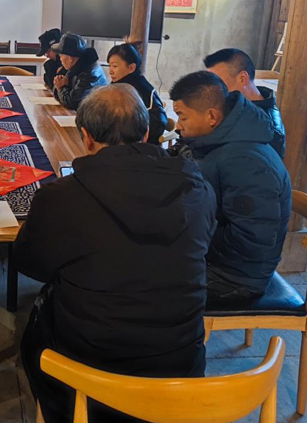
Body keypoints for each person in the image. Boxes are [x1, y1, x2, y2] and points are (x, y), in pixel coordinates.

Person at [14, 85, 216, 423]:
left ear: (86, 137)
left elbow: (30, 263)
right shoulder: (198, 188)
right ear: (146, 133)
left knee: (36, 323)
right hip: (179, 365)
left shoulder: (62, 196)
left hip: (89, 369)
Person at [170, 71, 291, 304]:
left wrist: (183, 233)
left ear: (211, 116)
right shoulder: (216, 142)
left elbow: (250, 241)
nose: (178, 126)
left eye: (182, 117)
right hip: (215, 259)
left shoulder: (247, 162)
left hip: (236, 277)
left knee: (140, 280)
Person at [203, 48, 285, 158]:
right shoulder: (232, 104)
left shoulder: (268, 129)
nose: (212, 90)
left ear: (242, 78)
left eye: (218, 83)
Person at [107, 42, 168, 143]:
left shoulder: (137, 88)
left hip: (141, 142)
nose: (110, 71)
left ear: (131, 68)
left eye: (114, 66)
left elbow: (157, 123)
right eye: (109, 66)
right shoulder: (122, 84)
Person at [51, 32, 108, 110]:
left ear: (70, 58)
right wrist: (59, 85)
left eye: (61, 56)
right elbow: (61, 95)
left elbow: (73, 103)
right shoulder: (76, 65)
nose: (60, 59)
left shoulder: (90, 74)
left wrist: (61, 87)